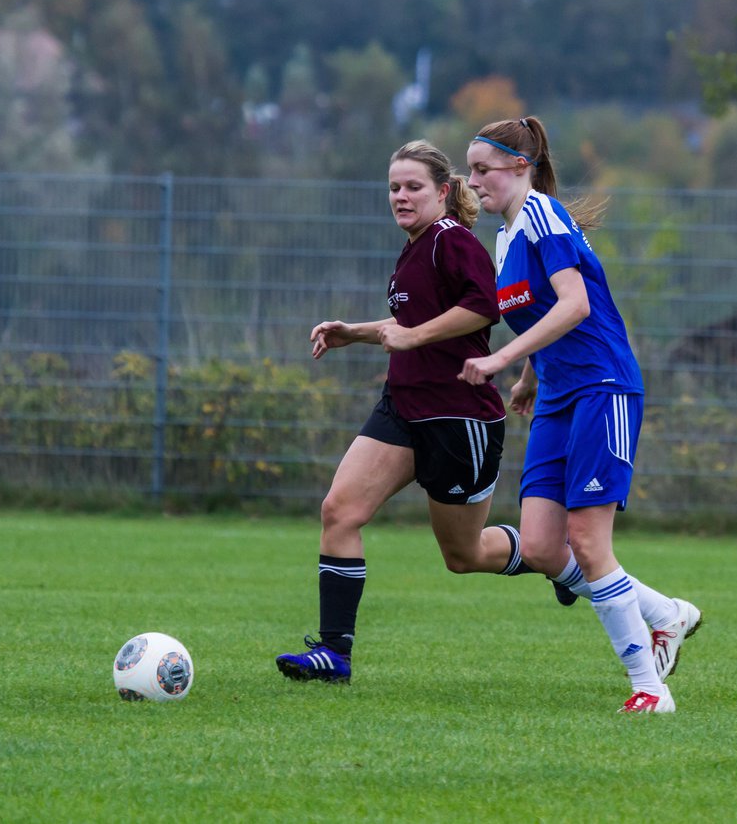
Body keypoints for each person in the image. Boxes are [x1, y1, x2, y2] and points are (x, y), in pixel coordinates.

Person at [461, 116, 702, 713]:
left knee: (589, 542)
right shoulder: (505, 237)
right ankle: (665, 613)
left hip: (602, 388)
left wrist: (501, 360)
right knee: (544, 546)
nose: (473, 182)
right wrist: (527, 376)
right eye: (469, 170)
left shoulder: (543, 214)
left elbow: (575, 304)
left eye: (481, 170)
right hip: (558, 396)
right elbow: (543, 314)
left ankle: (650, 689)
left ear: (520, 166)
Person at [275, 140, 534, 685]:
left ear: (443, 191)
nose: (401, 196)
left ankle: (550, 556)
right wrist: (355, 333)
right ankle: (334, 655)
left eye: (413, 186)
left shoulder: (451, 240)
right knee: (339, 512)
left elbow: (483, 307)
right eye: (394, 187)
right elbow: (409, 329)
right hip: (402, 410)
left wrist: (411, 335)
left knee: (463, 555)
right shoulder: (415, 247)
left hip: (458, 418)